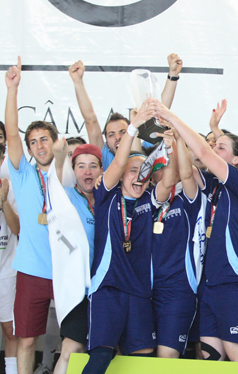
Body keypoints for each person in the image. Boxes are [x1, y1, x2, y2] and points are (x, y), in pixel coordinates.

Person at [155, 101, 238, 363]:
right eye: (214, 145)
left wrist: (172, 115)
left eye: (221, 147)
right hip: (211, 284)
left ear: (236, 159)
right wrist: (175, 139)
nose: (213, 149)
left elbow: (203, 154)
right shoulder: (213, 186)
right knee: (211, 357)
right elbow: (188, 170)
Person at [82, 98, 175, 374]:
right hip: (107, 290)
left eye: (145, 171)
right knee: (100, 359)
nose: (140, 175)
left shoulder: (149, 199)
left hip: (139, 293)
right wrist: (133, 127)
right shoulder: (106, 196)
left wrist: (170, 146)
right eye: (133, 171)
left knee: (143, 364)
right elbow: (121, 159)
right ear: (121, 174)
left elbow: (168, 181)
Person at [5, 56, 59, 374]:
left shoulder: (70, 175)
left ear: (55, 142)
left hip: (67, 272)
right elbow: (12, 133)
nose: (39, 145)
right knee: (26, 340)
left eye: (44, 139)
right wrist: (12, 90)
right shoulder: (24, 175)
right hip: (31, 271)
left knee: (75, 340)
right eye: (33, 142)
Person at [69, 54, 182, 170]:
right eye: (111, 135)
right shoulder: (104, 158)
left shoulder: (146, 149)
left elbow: (159, 113)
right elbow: (90, 121)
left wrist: (173, 75)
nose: (118, 137)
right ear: (106, 143)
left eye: (123, 132)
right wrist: (78, 82)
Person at [50, 141, 103, 374]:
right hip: (77, 290)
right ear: (73, 171)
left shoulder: (109, 199)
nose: (87, 172)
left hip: (106, 288)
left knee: (108, 351)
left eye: (93, 166)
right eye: (81, 166)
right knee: (71, 349)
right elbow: (53, 183)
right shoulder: (66, 197)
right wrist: (59, 156)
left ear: (102, 170)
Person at [151, 131, 202, 359]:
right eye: (159, 166)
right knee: (141, 354)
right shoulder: (149, 200)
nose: (165, 171)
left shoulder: (189, 196)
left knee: (166, 357)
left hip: (178, 290)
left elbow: (185, 174)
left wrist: (177, 141)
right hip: (147, 290)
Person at [0, 144, 20, 374]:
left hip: (6, 270)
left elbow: (16, 228)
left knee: (10, 330)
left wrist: (4, 201)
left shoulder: (11, 188)